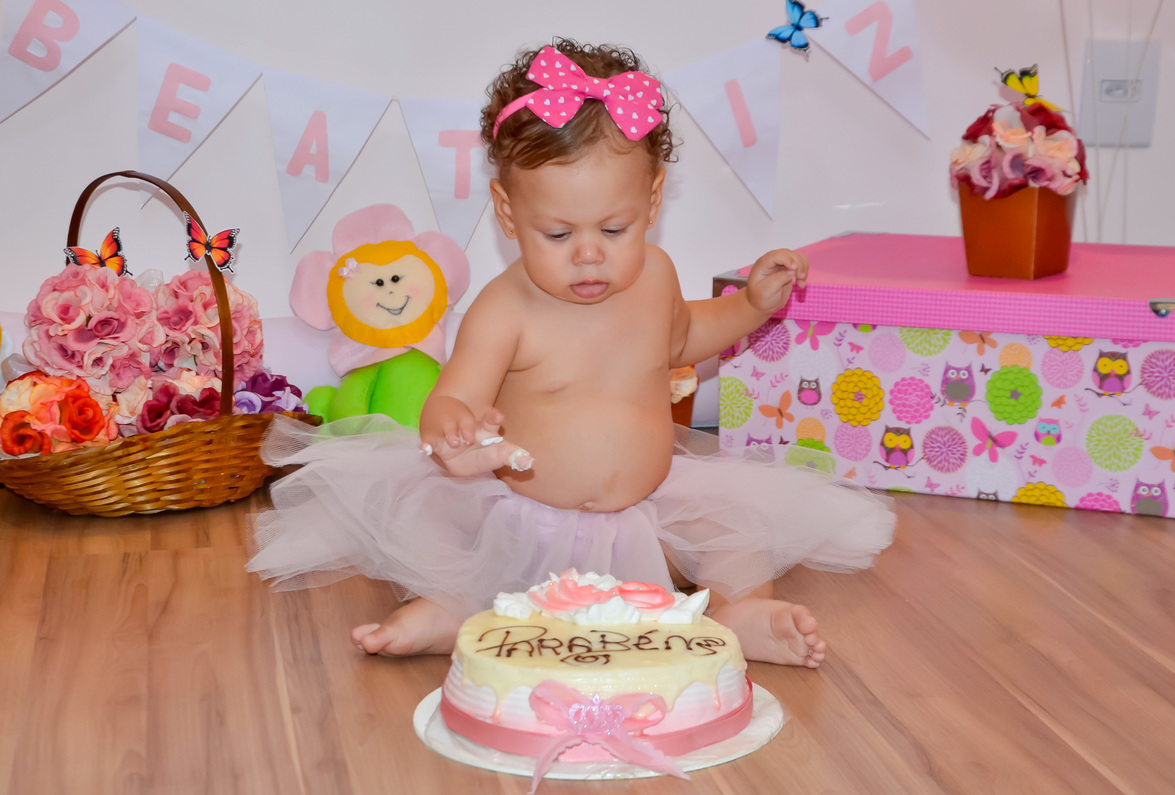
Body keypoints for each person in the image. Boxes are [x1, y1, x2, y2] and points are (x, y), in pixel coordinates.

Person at [248, 39, 895, 668]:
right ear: (507, 210)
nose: (589, 253)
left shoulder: (657, 275)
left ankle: (740, 611)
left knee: (737, 532)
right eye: (557, 233)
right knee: (458, 545)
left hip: (653, 502)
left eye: (613, 230)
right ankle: (449, 612)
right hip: (522, 511)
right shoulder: (505, 308)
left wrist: (752, 304)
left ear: (651, 198)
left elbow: (683, 336)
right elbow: (455, 394)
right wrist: (454, 424)